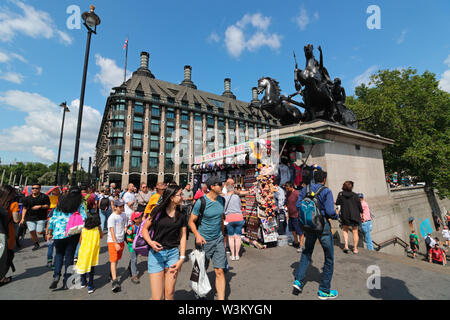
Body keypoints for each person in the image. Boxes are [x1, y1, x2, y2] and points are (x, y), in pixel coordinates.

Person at [293, 170, 339, 300]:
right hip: (322, 226)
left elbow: (298, 206)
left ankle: (298, 281)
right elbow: (330, 212)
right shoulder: (326, 191)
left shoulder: (305, 189)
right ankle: (324, 290)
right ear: (324, 179)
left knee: (307, 252)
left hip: (308, 226)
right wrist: (336, 215)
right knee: (329, 257)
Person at [141, 184, 187, 300]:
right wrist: (150, 242)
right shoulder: (158, 211)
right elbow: (144, 229)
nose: (183, 197)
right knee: (157, 297)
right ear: (171, 197)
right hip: (156, 255)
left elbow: (183, 236)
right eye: (180, 194)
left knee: (170, 293)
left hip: (173, 254)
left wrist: (182, 258)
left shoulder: (182, 214)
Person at [189, 176, 227, 300]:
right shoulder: (201, 202)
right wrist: (197, 235)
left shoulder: (222, 200)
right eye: (219, 184)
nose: (222, 186)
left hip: (218, 240)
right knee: (200, 271)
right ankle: (198, 293)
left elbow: (220, 219)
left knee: (220, 271)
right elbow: (191, 221)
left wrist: (223, 235)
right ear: (212, 187)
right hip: (203, 241)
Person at [47, 187, 87, 290]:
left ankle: (56, 275)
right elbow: (84, 218)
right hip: (72, 233)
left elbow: (53, 218)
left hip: (58, 233)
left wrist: (49, 232)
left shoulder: (61, 202)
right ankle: (67, 280)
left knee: (59, 254)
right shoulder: (79, 205)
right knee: (69, 256)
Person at [75, 202, 103, 294]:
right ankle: (90, 286)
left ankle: (83, 282)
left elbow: (80, 241)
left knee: (83, 267)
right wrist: (99, 227)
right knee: (91, 270)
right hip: (92, 253)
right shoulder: (97, 230)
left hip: (83, 251)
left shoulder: (83, 229)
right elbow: (102, 236)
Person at [20, 183, 50, 251]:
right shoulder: (27, 198)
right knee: (32, 231)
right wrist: (22, 218)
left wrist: (40, 206)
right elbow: (24, 208)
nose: (34, 189)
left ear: (39, 189)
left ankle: (44, 232)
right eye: (33, 188)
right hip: (30, 217)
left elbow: (48, 206)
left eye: (36, 188)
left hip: (41, 217)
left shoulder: (44, 197)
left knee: (39, 231)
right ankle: (36, 244)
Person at [0, 185, 20, 286]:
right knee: (7, 255)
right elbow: (16, 219)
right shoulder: (13, 204)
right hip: (6, 232)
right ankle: (2, 278)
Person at [336, 181, 363, 254]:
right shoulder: (355, 195)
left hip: (345, 215)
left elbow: (338, 203)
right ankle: (355, 249)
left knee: (345, 229)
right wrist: (361, 212)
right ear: (352, 187)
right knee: (355, 231)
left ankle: (346, 246)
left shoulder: (340, 194)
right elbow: (359, 206)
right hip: (355, 215)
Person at [107, 199, 128, 293]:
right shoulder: (112, 217)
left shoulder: (124, 215)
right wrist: (115, 243)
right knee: (114, 260)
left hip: (121, 240)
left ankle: (112, 274)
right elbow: (111, 231)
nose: (122, 208)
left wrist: (126, 229)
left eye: (123, 206)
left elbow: (124, 225)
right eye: (120, 206)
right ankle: (115, 281)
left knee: (117, 259)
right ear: (115, 207)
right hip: (113, 241)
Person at [224, 183, 245, 261]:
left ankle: (232, 255)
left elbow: (223, 209)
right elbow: (240, 206)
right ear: (233, 190)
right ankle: (237, 255)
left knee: (231, 237)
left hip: (229, 218)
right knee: (238, 237)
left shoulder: (224, 198)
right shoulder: (236, 197)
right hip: (239, 217)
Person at [285, 183, 304, 252]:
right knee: (293, 230)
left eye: (287, 188)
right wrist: (287, 214)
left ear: (291, 186)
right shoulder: (287, 194)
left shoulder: (297, 193)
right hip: (290, 215)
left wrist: (300, 213)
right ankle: (296, 242)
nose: (287, 189)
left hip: (297, 215)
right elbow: (287, 203)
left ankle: (301, 245)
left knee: (299, 231)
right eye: (286, 188)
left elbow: (301, 203)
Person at [126, 211, 143, 284]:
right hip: (132, 246)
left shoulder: (141, 225)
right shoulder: (131, 228)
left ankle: (130, 267)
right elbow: (128, 238)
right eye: (139, 217)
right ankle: (134, 275)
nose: (141, 218)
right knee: (134, 259)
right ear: (135, 220)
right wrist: (135, 240)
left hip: (137, 245)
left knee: (134, 258)